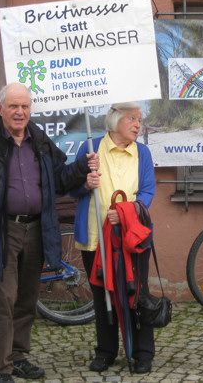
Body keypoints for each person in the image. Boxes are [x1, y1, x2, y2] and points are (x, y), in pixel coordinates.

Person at [0, 83, 99, 383]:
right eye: (13, 106)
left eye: (25, 107)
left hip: (37, 229)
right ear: (0, 109)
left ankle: (18, 357)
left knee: (27, 298)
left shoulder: (40, 141)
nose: (20, 112)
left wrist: (84, 166)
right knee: (3, 298)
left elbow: (59, 179)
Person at [72, 102, 156, 374]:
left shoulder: (142, 153)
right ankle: (106, 351)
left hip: (131, 237)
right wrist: (86, 183)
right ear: (115, 121)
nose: (137, 124)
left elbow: (147, 192)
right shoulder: (90, 149)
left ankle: (142, 352)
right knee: (101, 295)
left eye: (139, 119)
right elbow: (72, 187)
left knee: (137, 292)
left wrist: (126, 212)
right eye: (132, 119)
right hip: (96, 237)